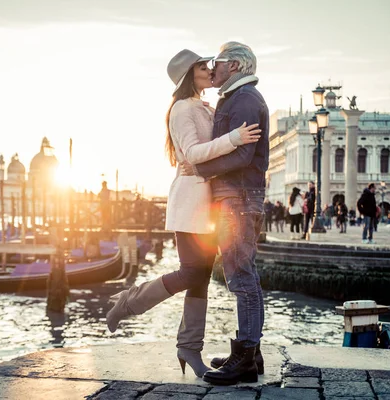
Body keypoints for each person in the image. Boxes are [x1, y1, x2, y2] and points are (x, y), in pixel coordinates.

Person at [106, 48, 261, 379]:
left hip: (207, 204)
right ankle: (128, 303)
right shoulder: (181, 109)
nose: (209, 70)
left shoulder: (202, 107)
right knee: (192, 272)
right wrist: (235, 137)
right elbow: (191, 154)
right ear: (189, 75)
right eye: (202, 67)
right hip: (190, 200)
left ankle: (190, 348)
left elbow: (202, 155)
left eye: (208, 65)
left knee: (201, 277)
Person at [181, 41, 269, 386]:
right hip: (238, 197)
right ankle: (250, 352)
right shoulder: (238, 98)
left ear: (233, 66)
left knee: (239, 277)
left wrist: (200, 170)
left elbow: (243, 156)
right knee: (246, 274)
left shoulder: (245, 100)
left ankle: (245, 359)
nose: (212, 68)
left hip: (239, 199)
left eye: (216, 62)